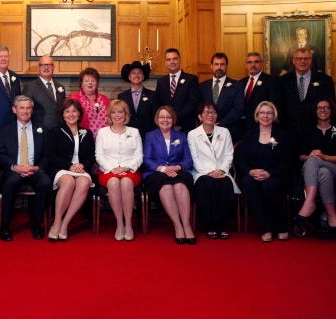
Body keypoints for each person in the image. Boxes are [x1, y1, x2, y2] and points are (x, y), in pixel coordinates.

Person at [0, 95, 51, 241]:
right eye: (21, 108)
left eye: (28, 108)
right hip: (13, 170)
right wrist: (15, 167)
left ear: (32, 111)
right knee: (11, 182)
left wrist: (37, 168)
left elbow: (47, 155)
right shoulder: (5, 130)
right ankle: (5, 226)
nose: (25, 111)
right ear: (14, 110)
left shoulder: (42, 129)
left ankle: (36, 224)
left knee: (45, 182)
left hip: (34, 169)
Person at [236, 101, 293, 242]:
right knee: (248, 184)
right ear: (257, 115)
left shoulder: (283, 135)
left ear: (274, 116)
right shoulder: (249, 135)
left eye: (269, 113)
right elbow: (240, 160)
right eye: (262, 113)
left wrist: (269, 173)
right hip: (253, 174)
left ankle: (280, 226)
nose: (265, 116)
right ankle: (265, 228)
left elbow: (287, 161)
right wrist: (250, 171)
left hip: (276, 175)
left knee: (269, 186)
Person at [143, 105, 195, 244]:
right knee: (166, 187)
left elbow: (188, 159)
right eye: (162, 117)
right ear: (157, 119)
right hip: (156, 172)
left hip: (178, 171)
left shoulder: (181, 135)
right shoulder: (150, 136)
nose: (165, 120)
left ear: (173, 119)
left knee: (179, 186)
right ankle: (177, 225)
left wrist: (177, 167)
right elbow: (147, 159)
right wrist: (164, 169)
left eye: (168, 117)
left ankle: (186, 225)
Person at [296, 98, 336, 232]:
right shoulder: (306, 131)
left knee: (315, 160)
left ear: (331, 111)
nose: (323, 110)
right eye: (319, 108)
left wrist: (322, 157)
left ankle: (309, 202)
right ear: (315, 111)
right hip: (312, 170)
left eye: (326, 107)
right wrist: (311, 156)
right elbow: (300, 155)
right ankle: (332, 215)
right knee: (323, 172)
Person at [45, 98, 95, 241]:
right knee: (68, 182)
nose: (71, 114)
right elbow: (51, 155)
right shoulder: (55, 132)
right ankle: (57, 222)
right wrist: (69, 165)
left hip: (81, 169)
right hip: (61, 168)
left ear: (79, 114)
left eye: (74, 111)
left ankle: (65, 223)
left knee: (84, 183)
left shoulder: (87, 133)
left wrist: (83, 165)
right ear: (62, 114)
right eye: (67, 111)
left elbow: (92, 156)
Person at [188, 102, 239, 239]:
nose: (210, 115)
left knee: (225, 184)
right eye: (207, 112)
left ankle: (222, 224)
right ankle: (209, 224)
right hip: (202, 172)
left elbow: (229, 154)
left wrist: (221, 170)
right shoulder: (192, 134)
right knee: (207, 183)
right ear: (200, 116)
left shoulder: (225, 132)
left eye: (213, 112)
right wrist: (209, 172)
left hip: (222, 171)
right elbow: (195, 157)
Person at [95, 99, 143, 241]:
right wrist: (112, 169)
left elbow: (139, 155)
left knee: (127, 183)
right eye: (114, 112)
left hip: (130, 169)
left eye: (120, 112)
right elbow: (99, 155)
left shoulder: (134, 132)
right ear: (109, 115)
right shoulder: (102, 132)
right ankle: (119, 223)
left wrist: (126, 167)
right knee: (114, 183)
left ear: (125, 114)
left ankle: (128, 223)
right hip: (108, 171)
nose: (117, 115)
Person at [277, 47, 336, 133]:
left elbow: (332, 107)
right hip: (289, 132)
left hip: (316, 131)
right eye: (299, 58)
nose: (302, 61)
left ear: (311, 60)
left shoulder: (325, 80)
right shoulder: (282, 81)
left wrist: (332, 131)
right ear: (293, 61)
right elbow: (279, 108)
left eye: (306, 58)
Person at [199, 52, 244, 142]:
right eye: (216, 64)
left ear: (226, 66)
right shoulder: (202, 86)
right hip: (206, 132)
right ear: (211, 66)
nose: (219, 67)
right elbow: (199, 107)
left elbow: (238, 109)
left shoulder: (237, 85)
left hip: (229, 130)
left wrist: (220, 123)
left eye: (222, 64)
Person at [155, 48, 200, 133]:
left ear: (180, 60)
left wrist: (174, 121)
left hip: (185, 127)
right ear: (165, 63)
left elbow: (193, 103)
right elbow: (158, 104)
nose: (172, 62)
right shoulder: (161, 82)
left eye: (175, 59)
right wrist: (167, 122)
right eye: (169, 59)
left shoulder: (191, 79)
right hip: (165, 127)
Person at [22, 55, 66, 130]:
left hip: (59, 131)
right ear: (38, 68)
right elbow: (25, 112)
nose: (46, 67)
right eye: (43, 65)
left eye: (49, 65)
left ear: (53, 67)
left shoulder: (60, 87)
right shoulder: (30, 87)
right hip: (40, 131)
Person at [117, 60, 158, 138]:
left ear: (143, 76)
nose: (136, 75)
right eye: (133, 73)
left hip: (147, 136)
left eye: (139, 73)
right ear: (129, 77)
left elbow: (155, 118)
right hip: (127, 136)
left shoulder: (152, 95)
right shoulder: (122, 96)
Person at [69, 67, 110, 137]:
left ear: (97, 83)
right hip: (83, 137)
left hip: (105, 138)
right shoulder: (74, 98)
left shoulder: (105, 99)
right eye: (86, 81)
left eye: (93, 80)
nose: (90, 83)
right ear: (81, 83)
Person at [239, 52, 275, 134]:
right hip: (243, 128)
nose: (253, 65)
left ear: (262, 64)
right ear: (246, 65)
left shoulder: (271, 81)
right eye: (250, 62)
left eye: (256, 62)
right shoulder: (241, 82)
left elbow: (273, 105)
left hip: (262, 126)